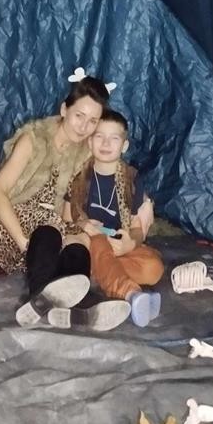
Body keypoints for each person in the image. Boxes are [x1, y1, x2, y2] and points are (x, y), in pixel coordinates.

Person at [0, 73, 130, 330]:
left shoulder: (83, 150)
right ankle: (42, 294)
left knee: (80, 237)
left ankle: (75, 305)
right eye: (79, 115)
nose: (83, 126)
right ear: (64, 109)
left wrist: (134, 210)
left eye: (92, 121)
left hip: (46, 239)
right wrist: (23, 243)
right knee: (49, 224)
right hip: (4, 226)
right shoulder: (33, 139)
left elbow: (107, 177)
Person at [55, 109, 164, 329]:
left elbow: (136, 227)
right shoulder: (79, 177)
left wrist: (130, 243)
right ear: (89, 142)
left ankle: (99, 275)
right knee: (98, 242)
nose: (105, 143)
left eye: (114, 138)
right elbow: (66, 222)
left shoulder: (131, 179)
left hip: (116, 247)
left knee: (154, 268)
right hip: (89, 243)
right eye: (99, 136)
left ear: (124, 145)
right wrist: (84, 225)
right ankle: (131, 294)